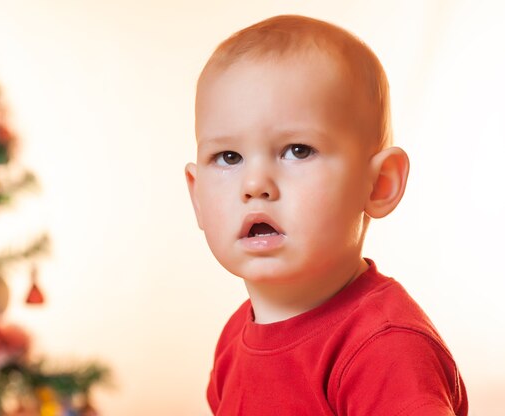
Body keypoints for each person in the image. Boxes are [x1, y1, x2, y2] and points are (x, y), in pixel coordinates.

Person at [184, 15, 468, 415]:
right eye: (228, 157)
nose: (255, 184)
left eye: (298, 150)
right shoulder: (234, 338)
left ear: (379, 184)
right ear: (196, 196)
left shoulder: (384, 348)